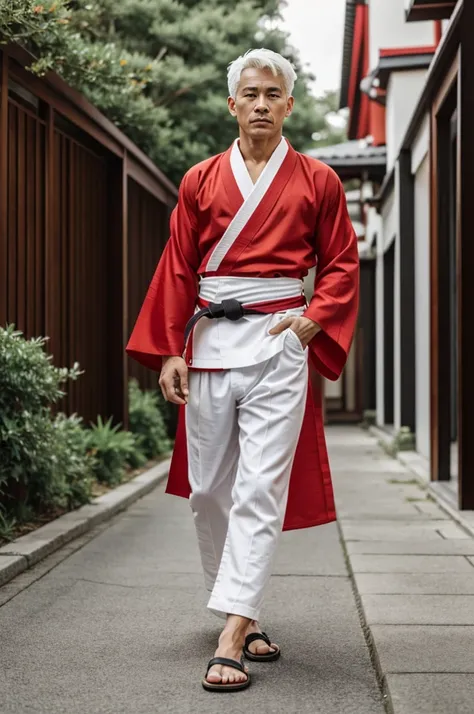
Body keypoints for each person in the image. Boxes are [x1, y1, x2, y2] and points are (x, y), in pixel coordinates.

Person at [126, 48, 359, 692]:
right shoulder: (200, 179)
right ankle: (242, 603)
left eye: (272, 94)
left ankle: (232, 630)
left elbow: (341, 262)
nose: (260, 104)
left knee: (260, 487)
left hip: (280, 342)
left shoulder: (319, 181)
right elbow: (178, 263)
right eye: (249, 94)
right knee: (209, 489)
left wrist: (316, 316)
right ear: (233, 105)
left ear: (288, 105)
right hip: (209, 341)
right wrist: (171, 347)